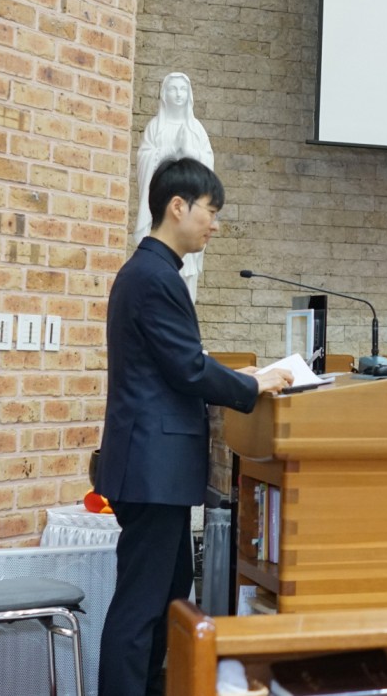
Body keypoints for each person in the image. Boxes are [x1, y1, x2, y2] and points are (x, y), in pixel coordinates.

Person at [97, 156, 292, 696]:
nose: (216, 224)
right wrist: (253, 385)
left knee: (167, 595)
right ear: (178, 207)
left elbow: (177, 361)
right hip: (150, 469)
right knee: (141, 606)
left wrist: (238, 376)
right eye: (211, 211)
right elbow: (186, 368)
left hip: (154, 468)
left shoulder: (153, 272)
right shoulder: (153, 276)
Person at [133, 72, 215, 301]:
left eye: (182, 89)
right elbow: (145, 159)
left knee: (186, 274)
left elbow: (207, 165)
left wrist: (190, 152)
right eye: (173, 89)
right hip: (164, 210)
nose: (178, 94)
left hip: (189, 211)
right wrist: (167, 153)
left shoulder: (196, 129)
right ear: (164, 94)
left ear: (189, 95)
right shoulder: (155, 127)